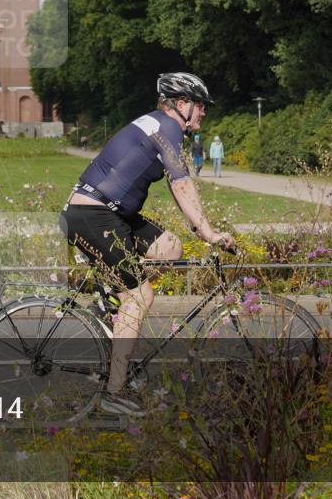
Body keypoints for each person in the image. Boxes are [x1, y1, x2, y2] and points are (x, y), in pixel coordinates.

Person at [59, 72, 235, 416]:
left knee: (170, 247)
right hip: (93, 217)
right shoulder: (166, 128)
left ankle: (114, 306)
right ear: (181, 104)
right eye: (200, 106)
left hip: (110, 216)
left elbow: (177, 183)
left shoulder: (159, 126)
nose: (203, 113)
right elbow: (181, 183)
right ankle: (114, 392)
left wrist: (198, 231)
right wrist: (209, 233)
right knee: (140, 296)